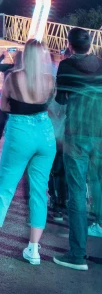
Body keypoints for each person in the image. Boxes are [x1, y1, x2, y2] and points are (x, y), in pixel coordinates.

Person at [0, 40, 56, 265]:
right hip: (45, 133)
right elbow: (49, 105)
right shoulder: (50, 80)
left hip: (20, 131)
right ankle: (34, 249)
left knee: (5, 189)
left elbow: (4, 107)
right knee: (39, 192)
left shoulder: (13, 77)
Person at [53, 27, 102, 271]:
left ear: (70, 44)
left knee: (77, 193)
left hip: (76, 134)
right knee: (99, 185)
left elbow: (61, 99)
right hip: (100, 133)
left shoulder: (66, 66)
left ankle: (77, 254)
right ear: (90, 44)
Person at [0, 50, 22, 159]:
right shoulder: (27, 71)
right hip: (19, 104)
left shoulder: (9, 68)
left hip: (6, 103)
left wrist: (3, 56)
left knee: (0, 126)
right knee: (18, 127)